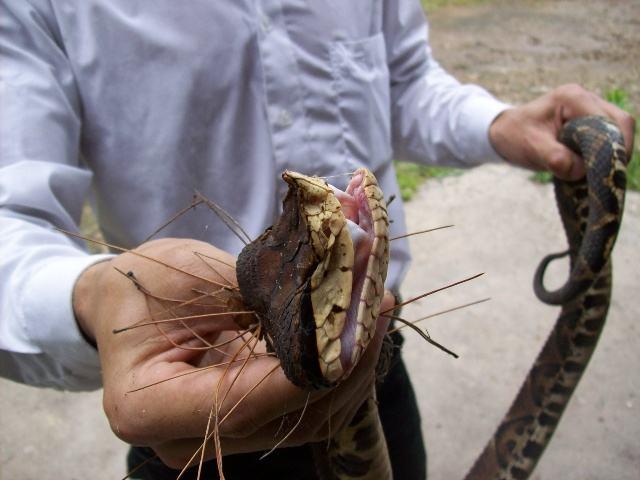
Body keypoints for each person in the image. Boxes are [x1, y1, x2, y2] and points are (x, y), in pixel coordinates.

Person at [0, 1, 634, 479]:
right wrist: (92, 301)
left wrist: (497, 124)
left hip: (377, 372)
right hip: (196, 414)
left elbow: (404, 81)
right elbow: (12, 216)